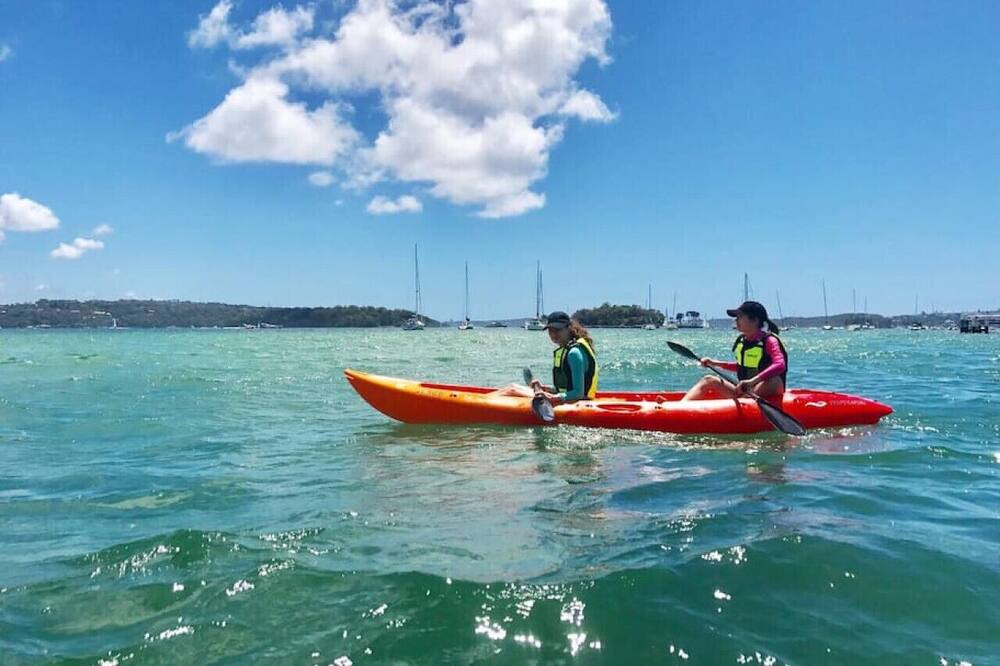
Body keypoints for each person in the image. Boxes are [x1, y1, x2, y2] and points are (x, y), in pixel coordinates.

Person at [681, 301, 787, 401]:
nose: (736, 320)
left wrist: (751, 382)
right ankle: (678, 408)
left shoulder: (770, 340)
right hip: (747, 390)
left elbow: (780, 365)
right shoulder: (744, 341)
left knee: (773, 380)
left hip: (766, 389)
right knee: (709, 380)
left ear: (755, 320)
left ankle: (746, 401)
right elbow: (741, 367)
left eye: (740, 317)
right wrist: (714, 363)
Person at [496, 311, 599, 403]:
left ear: (568, 328)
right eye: (550, 330)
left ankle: (485, 408)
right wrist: (545, 388)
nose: (553, 334)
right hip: (572, 400)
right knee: (512, 387)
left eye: (557, 329)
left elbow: (578, 393)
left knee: (512, 389)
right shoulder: (569, 349)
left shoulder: (574, 353)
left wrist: (553, 397)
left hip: (578, 403)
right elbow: (567, 388)